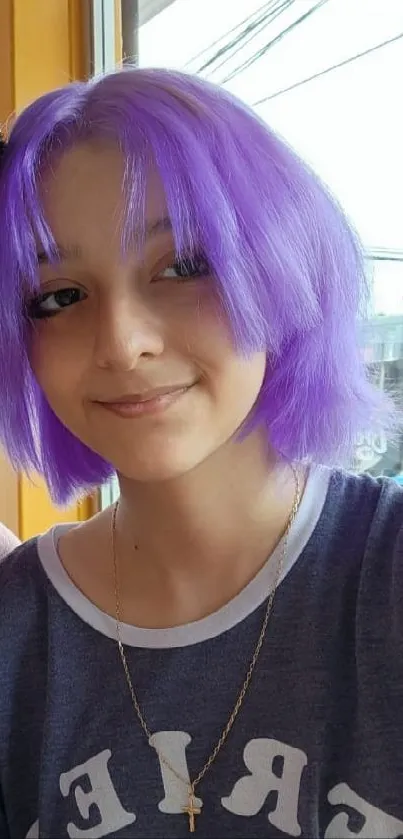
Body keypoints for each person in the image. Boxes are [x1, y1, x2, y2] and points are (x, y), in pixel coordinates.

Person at [0, 68, 402, 839]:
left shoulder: (382, 574)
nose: (122, 342)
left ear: (280, 268)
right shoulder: (16, 634)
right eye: (59, 296)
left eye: (182, 266)